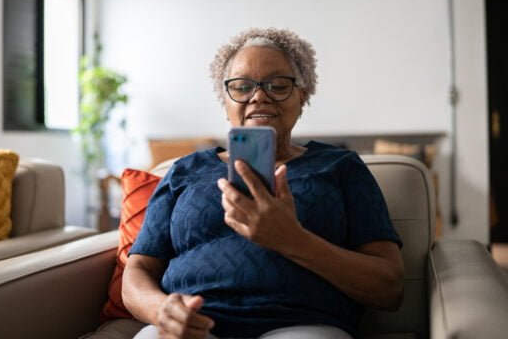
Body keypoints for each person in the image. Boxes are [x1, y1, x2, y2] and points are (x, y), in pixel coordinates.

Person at [122, 27, 404, 339]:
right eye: (241, 87)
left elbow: (389, 288)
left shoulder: (339, 167)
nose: (259, 96)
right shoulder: (185, 171)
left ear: (302, 95)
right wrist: (161, 310)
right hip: (194, 325)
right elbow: (139, 269)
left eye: (279, 84)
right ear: (225, 101)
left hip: (302, 325)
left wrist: (293, 240)